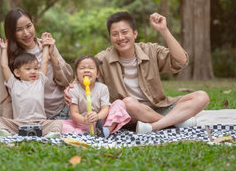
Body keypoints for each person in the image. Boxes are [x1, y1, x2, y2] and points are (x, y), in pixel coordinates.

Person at [66, 11, 209, 134]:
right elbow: (84, 75)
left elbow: (181, 61)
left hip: (159, 106)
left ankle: (155, 126)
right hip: (132, 114)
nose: (120, 38)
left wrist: (164, 30)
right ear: (110, 37)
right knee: (128, 102)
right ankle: (176, 122)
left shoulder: (151, 50)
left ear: (135, 33)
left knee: (202, 96)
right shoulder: (102, 58)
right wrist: (70, 88)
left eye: (124, 32)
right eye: (115, 34)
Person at [0, 8, 73, 120]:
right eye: (19, 30)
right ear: (11, 33)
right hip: (29, 118)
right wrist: (9, 123)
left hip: (60, 110)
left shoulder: (46, 45)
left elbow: (66, 80)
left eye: (28, 26)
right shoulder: (7, 53)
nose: (26, 33)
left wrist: (52, 54)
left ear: (33, 24)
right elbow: (5, 93)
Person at [0, 37, 62, 136]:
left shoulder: (39, 80)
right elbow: (4, 66)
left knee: (57, 123)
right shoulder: (14, 83)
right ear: (17, 72)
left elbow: (44, 61)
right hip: (19, 124)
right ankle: (4, 132)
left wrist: (45, 47)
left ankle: (52, 134)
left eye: (35, 68)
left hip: (40, 123)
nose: (33, 71)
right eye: (28, 69)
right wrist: (4, 49)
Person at [61, 55, 131, 138]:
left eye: (91, 68)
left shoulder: (102, 88)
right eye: (82, 68)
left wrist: (97, 117)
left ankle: (106, 131)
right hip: (81, 123)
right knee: (62, 124)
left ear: (97, 74)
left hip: (101, 122)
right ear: (76, 74)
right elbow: (74, 113)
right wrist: (84, 120)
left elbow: (105, 108)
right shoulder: (74, 90)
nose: (86, 70)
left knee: (119, 103)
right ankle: (81, 133)